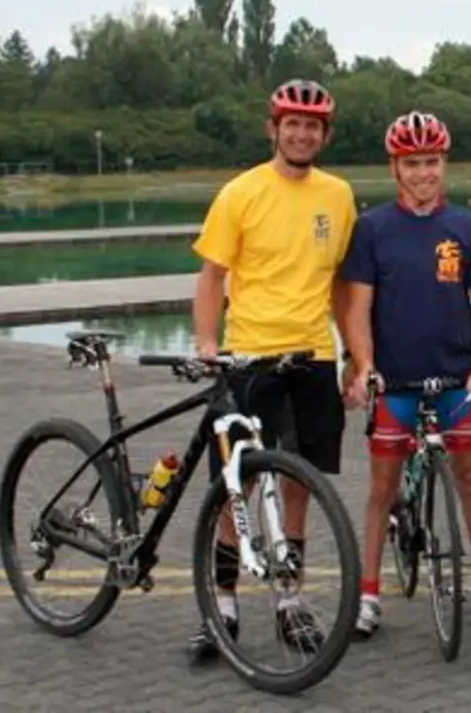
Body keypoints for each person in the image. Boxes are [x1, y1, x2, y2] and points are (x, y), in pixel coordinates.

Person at [186, 78, 357, 663]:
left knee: (300, 484)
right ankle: (224, 608)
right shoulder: (240, 193)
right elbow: (211, 277)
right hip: (249, 357)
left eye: (313, 125)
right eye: (293, 123)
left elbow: (341, 287)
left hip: (313, 357)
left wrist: (358, 354)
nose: (303, 132)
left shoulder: (338, 196)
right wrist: (208, 341)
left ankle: (289, 602)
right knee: (237, 485)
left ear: (324, 135)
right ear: (273, 128)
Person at [336, 110, 471, 637]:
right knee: (382, 490)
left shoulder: (467, 228)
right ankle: (368, 596)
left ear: (444, 164)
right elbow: (357, 310)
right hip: (396, 383)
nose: (423, 173)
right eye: (412, 163)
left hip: (456, 381)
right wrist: (364, 366)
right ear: (395, 168)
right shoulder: (372, 230)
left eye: (431, 162)